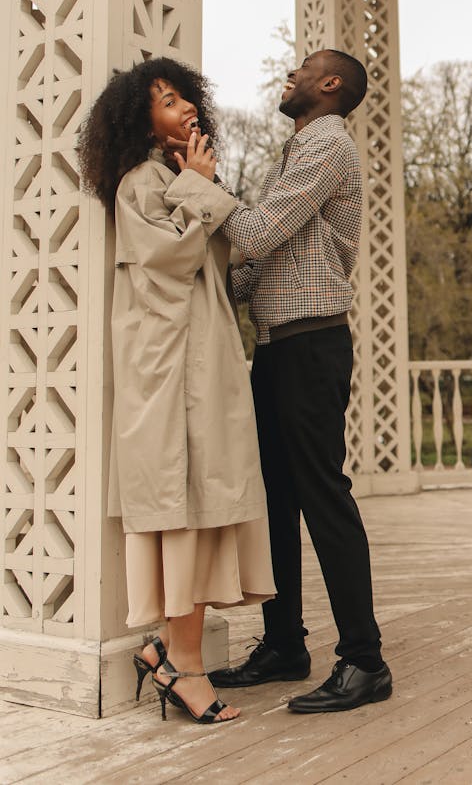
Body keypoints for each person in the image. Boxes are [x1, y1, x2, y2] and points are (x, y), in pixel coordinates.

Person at [77, 57, 275, 725]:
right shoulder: (141, 181)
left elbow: (222, 257)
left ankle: (170, 651)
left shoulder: (174, 178)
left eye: (184, 95)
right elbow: (166, 266)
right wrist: (198, 186)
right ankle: (181, 666)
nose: (183, 105)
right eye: (165, 101)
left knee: (200, 500)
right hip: (168, 371)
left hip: (200, 362)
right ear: (141, 120)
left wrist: (195, 185)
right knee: (181, 507)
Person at [208, 48, 392, 713]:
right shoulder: (297, 152)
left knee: (322, 497)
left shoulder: (328, 147)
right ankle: (285, 642)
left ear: (331, 84)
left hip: (313, 345)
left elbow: (255, 232)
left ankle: (365, 659)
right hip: (278, 350)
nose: (290, 74)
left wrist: (200, 184)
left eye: (303, 68)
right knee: (275, 500)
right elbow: (259, 260)